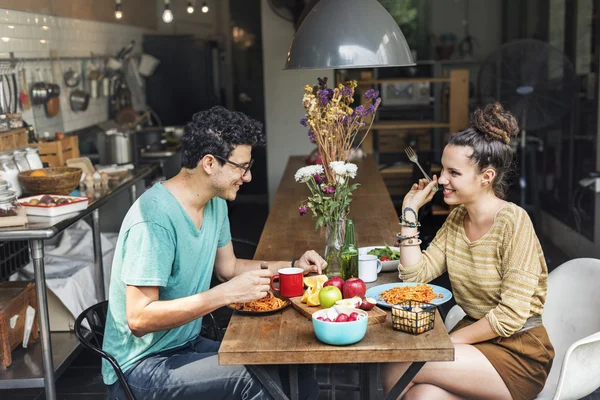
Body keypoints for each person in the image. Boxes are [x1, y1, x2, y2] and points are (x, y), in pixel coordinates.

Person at [102, 106, 327, 400]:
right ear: (209, 163)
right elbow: (139, 319)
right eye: (241, 167)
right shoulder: (154, 220)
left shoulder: (215, 202)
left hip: (186, 345)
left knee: (291, 364)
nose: (247, 177)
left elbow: (229, 268)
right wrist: (226, 294)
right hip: (141, 367)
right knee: (253, 379)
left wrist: (295, 266)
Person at [382, 103, 554, 400]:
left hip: (518, 351)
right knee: (420, 396)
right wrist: (409, 211)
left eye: (454, 173)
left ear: (486, 177)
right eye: (442, 169)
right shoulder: (457, 219)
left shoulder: (513, 223)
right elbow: (414, 277)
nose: (441, 180)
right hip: (473, 341)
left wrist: (448, 342)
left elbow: (510, 316)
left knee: (402, 362)